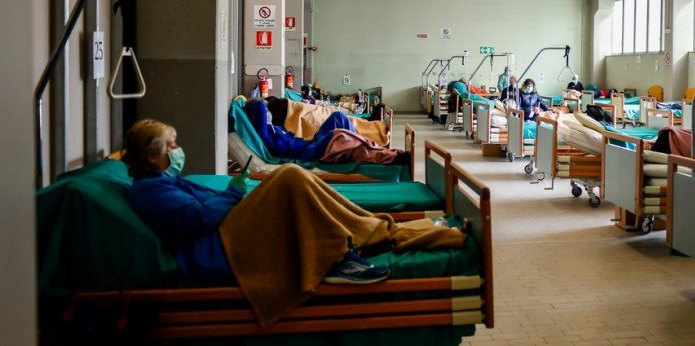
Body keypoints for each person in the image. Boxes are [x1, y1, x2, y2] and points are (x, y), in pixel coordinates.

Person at [122, 119, 464, 326]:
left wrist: (233, 193)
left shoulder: (163, 183)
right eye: (172, 145)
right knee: (288, 177)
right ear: (153, 155)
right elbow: (198, 217)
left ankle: (363, 233)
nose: (178, 149)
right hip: (219, 250)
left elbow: (201, 206)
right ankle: (344, 252)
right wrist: (233, 194)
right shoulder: (150, 192)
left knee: (292, 177)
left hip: (224, 231)